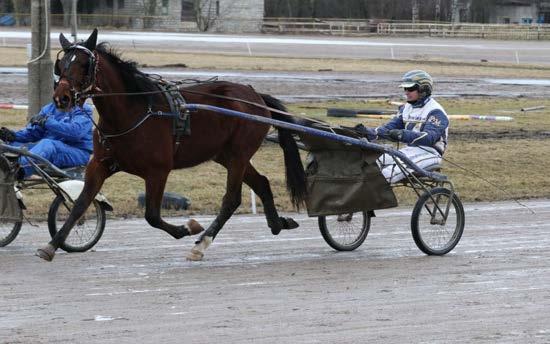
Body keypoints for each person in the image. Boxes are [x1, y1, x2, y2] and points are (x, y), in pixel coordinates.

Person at [357, 69, 449, 183]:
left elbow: (429, 138)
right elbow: (389, 128)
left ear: (423, 89)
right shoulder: (406, 108)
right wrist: (368, 131)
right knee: (372, 163)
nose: (406, 92)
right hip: (409, 151)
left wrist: (402, 134)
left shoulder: (436, 111)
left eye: (410, 89)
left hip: (430, 153)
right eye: (405, 88)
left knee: (386, 174)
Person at [0, 102, 93, 177]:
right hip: (49, 150)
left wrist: (47, 122)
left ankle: (17, 171)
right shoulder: (49, 109)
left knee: (47, 144)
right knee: (8, 146)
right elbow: (33, 134)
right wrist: (12, 135)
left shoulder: (82, 108)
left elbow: (75, 133)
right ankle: (5, 168)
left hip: (77, 153)